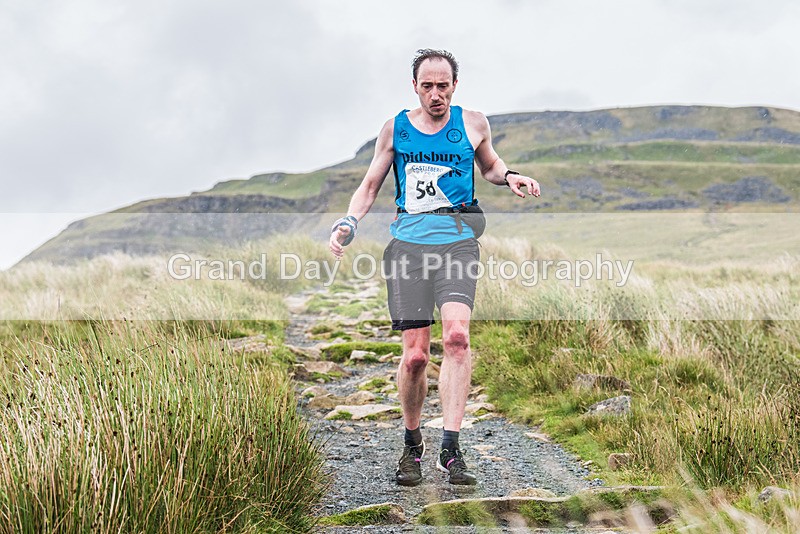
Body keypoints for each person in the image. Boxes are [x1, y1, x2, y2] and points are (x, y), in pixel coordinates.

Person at [329, 49, 540, 486]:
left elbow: (490, 165)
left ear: (454, 86)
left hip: (458, 245)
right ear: (415, 87)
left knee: (458, 338)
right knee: (415, 357)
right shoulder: (396, 129)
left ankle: (451, 449)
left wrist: (510, 176)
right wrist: (349, 221)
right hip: (408, 249)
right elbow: (370, 185)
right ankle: (412, 444)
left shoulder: (473, 123)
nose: (436, 94)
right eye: (427, 86)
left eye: (443, 85)